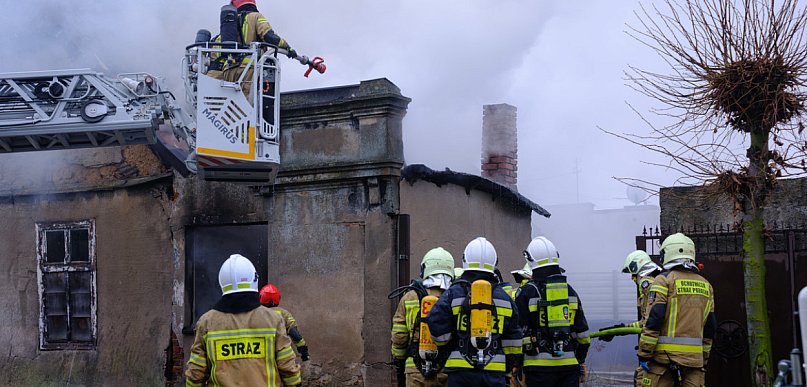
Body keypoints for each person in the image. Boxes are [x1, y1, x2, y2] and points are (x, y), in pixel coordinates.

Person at [185, 254, 301, 386]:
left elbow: (196, 372)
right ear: (254, 279)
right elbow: (287, 367)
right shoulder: (273, 320)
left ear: (222, 283)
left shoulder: (206, 323)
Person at [426, 237, 523, 387]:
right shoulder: (505, 299)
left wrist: (448, 347)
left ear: (465, 260)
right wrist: (507, 365)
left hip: (460, 374)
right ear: (494, 263)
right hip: (494, 375)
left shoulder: (453, 293)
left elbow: (436, 324)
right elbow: (514, 340)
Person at [638, 233, 716, 387]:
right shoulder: (706, 285)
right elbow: (710, 326)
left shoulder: (664, 280)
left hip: (663, 362)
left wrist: (644, 354)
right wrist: (703, 357)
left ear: (667, 253)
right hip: (694, 363)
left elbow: (654, 320)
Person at [515, 236, 590, 387]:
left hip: (537, 370)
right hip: (568, 368)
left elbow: (517, 334)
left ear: (530, 260)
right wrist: (580, 359)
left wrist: (516, 365)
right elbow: (583, 335)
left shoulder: (526, 292)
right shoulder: (570, 291)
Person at [390, 247, 456, 387]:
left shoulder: (410, 297)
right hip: (446, 369)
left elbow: (399, 335)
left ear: (425, 269)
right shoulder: (454, 297)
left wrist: (399, 360)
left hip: (414, 370)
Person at [208, 0, 299, 100]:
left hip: (228, 72)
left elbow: (215, 60)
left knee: (232, 107)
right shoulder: (255, 17)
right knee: (245, 106)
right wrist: (288, 48)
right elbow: (270, 37)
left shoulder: (226, 32)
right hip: (247, 71)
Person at [259, 283, 310, 361]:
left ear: (261, 297)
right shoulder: (284, 314)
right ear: (278, 298)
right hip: (280, 352)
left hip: (259, 352)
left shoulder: (256, 313)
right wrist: (304, 351)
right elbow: (294, 333)